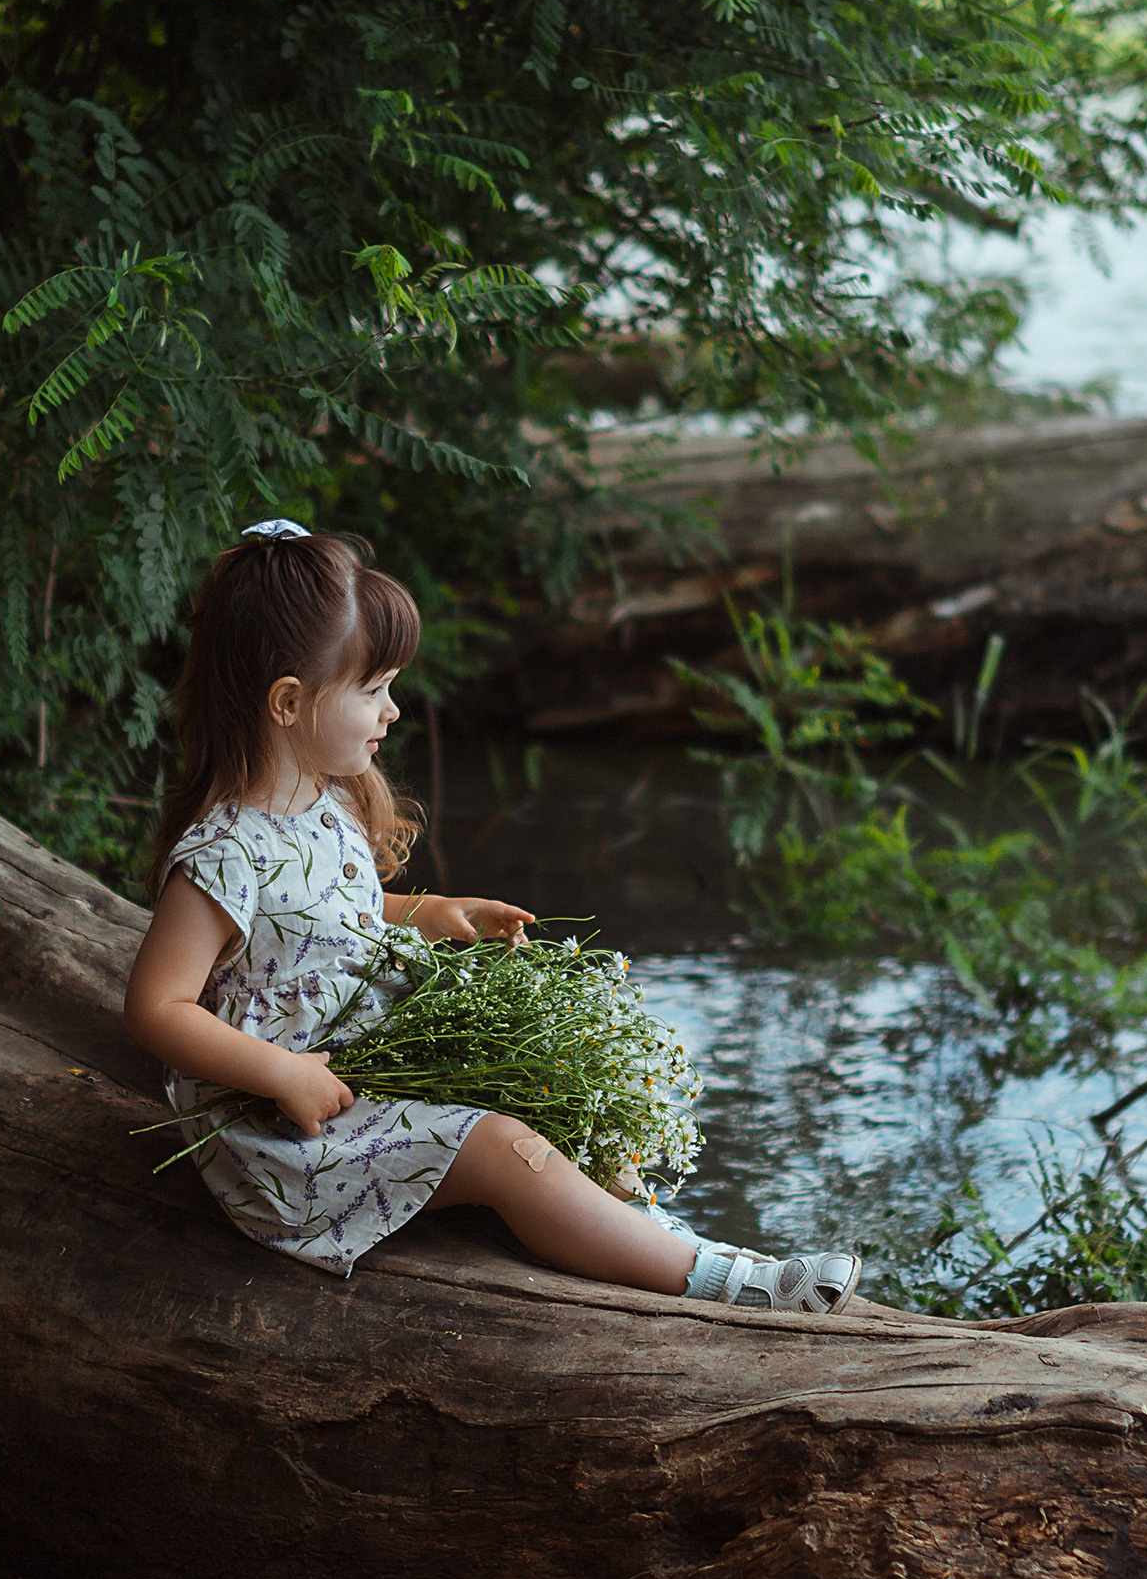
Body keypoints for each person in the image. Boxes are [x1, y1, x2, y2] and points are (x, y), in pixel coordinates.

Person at [123, 522, 863, 1313]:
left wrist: (428, 912)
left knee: (554, 1080)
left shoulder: (323, 800)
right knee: (509, 1149)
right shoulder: (225, 854)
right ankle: (721, 1286)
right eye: (372, 690)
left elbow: (335, 919)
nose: (392, 710)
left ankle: (661, 1235)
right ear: (288, 701)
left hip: (363, 1060)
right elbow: (156, 1006)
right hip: (286, 1133)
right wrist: (281, 1071)